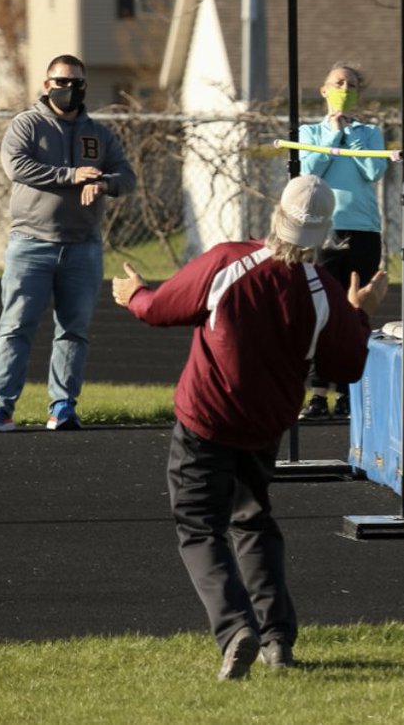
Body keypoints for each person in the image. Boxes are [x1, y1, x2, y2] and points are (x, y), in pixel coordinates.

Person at [111, 174, 388, 680]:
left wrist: (134, 294)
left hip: (207, 418)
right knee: (254, 521)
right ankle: (277, 637)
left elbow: (162, 309)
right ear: (324, 233)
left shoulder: (229, 261)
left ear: (276, 215)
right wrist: (360, 314)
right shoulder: (322, 290)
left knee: (198, 527)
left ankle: (235, 628)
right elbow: (347, 366)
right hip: (264, 427)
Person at [0, 55, 136, 433]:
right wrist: (72, 175)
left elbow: (126, 176)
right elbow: (18, 166)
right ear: (47, 85)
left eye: (78, 82)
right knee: (16, 327)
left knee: (74, 330)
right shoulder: (27, 125)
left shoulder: (98, 133)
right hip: (31, 244)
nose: (70, 89)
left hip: (83, 246)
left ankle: (62, 406)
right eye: (62, 82)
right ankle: (0, 407)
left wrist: (104, 183)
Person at [296, 63, 388, 420]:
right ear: (324, 89)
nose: (344, 88)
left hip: (363, 230)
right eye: (338, 83)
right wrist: (333, 134)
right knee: (323, 312)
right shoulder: (309, 131)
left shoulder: (369, 133)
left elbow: (373, 171)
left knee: (356, 312)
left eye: (351, 85)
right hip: (324, 230)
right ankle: (318, 393)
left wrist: (351, 135)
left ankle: (350, 393)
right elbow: (311, 170)